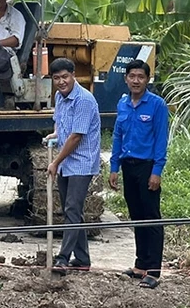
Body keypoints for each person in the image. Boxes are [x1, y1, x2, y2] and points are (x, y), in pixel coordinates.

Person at [108, 59, 169, 289]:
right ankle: (140, 265)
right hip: (128, 166)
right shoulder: (123, 103)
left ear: (147, 80)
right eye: (132, 76)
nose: (136, 80)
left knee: (151, 217)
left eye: (140, 77)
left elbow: (161, 140)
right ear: (126, 79)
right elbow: (117, 136)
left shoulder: (157, 105)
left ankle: (153, 270)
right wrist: (114, 167)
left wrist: (157, 171)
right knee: (136, 216)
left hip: (147, 167)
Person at [44, 57, 101, 276]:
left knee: (71, 209)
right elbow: (60, 122)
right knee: (73, 211)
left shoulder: (84, 100)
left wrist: (55, 161)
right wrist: (56, 134)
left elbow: (77, 136)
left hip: (81, 162)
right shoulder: (59, 97)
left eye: (65, 77)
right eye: (56, 78)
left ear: (73, 75)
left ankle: (62, 258)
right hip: (67, 161)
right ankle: (83, 259)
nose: (61, 82)